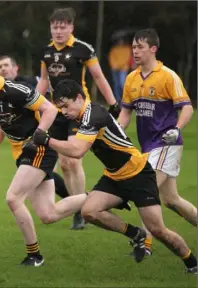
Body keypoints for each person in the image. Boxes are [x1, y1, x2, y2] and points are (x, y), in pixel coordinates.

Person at [31, 78, 197, 274]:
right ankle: (136, 234)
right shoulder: (81, 115)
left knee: (159, 230)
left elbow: (77, 151)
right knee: (89, 212)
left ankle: (191, 262)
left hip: (138, 175)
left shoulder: (94, 115)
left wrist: (47, 141)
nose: (65, 112)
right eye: (61, 108)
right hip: (114, 176)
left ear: (78, 98)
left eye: (66, 106)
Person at [0, 59, 88, 266]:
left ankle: (34, 255)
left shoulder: (16, 90)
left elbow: (50, 109)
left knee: (13, 198)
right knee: (49, 214)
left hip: (38, 148)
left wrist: (36, 138)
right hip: (21, 153)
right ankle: (102, 197)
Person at [36, 7, 121, 230]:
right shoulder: (46, 52)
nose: (58, 31)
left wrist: (113, 103)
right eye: (55, 27)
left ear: (71, 27)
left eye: (63, 27)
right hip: (56, 111)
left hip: (78, 110)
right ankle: (79, 206)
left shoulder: (83, 49)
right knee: (63, 164)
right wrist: (34, 105)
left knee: (72, 160)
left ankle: (81, 211)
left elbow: (98, 76)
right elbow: (44, 81)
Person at [118, 28, 197, 256]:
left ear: (153, 49)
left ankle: (145, 244)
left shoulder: (168, 76)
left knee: (146, 187)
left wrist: (177, 129)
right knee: (171, 200)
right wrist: (117, 130)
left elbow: (187, 108)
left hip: (167, 144)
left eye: (139, 47)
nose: (135, 51)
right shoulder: (131, 78)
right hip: (147, 147)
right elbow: (125, 113)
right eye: (133, 47)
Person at [0, 55, 70, 199]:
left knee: (52, 170)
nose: (3, 69)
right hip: (25, 142)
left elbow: (50, 89)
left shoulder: (29, 82)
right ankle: (79, 202)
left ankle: (80, 203)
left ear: (15, 68)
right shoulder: (0, 93)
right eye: (0, 67)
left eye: (6, 65)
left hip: (43, 131)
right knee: (46, 175)